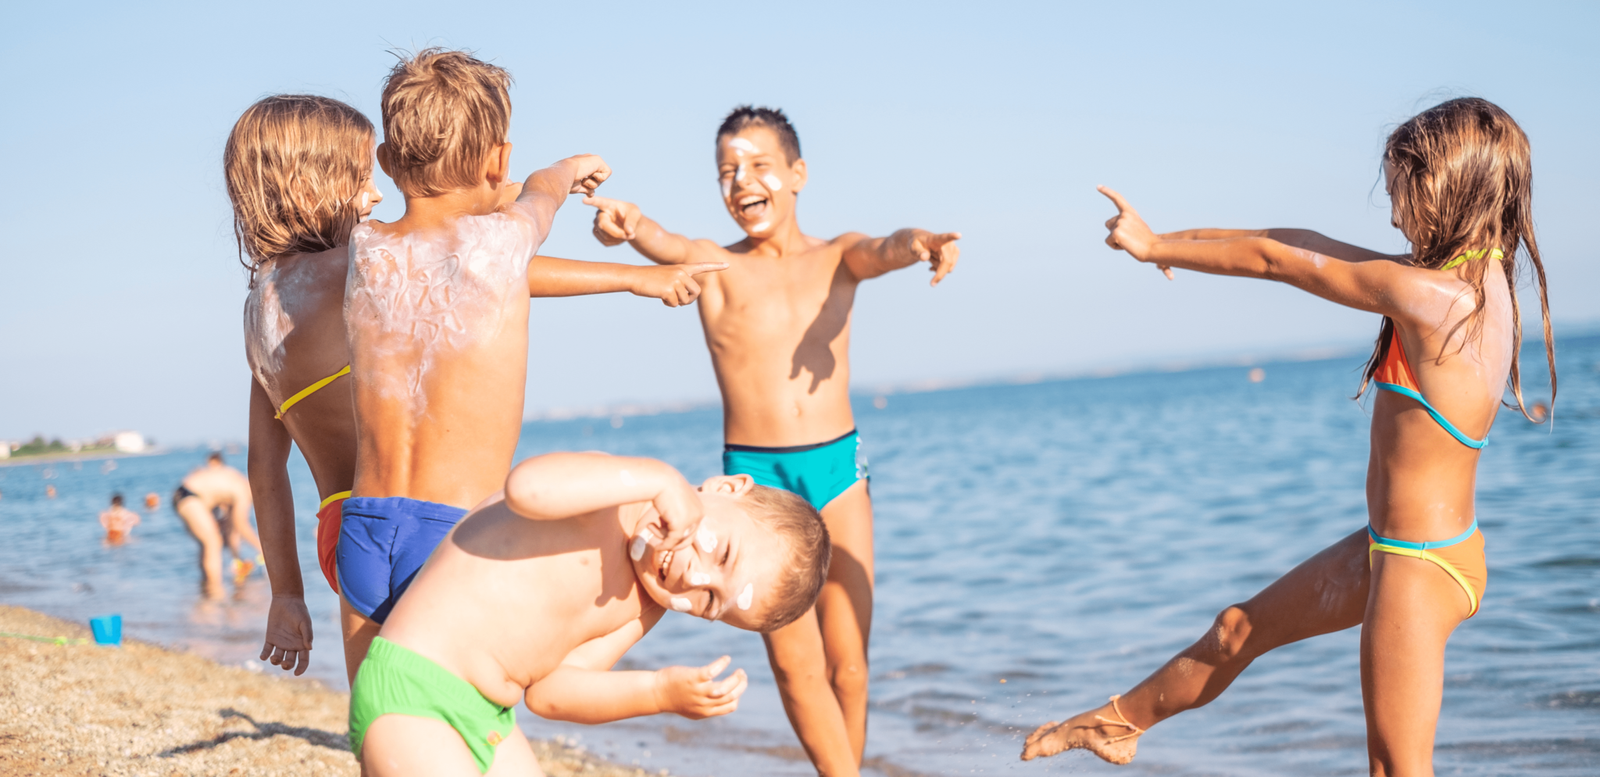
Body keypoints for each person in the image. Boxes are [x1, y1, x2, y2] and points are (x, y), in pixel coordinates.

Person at [1022, 98, 1556, 776]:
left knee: (1395, 768)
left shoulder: (1436, 300)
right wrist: (1162, 240)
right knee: (1236, 629)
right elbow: (1289, 240)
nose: (1395, 217)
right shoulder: (1467, 280)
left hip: (1420, 563)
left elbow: (1279, 261)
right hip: (1400, 545)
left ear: (1446, 186)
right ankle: (1116, 724)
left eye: (1403, 195)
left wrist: (1155, 249)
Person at [228, 94, 713, 684]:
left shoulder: (263, 310)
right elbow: (490, 266)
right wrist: (635, 277)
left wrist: (286, 594)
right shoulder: (357, 263)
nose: (376, 195)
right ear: (309, 187)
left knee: (383, 700)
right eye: (359, 179)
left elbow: (265, 468)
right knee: (474, 683)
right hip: (431, 520)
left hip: (349, 535)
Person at [586, 105, 959, 775]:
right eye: (726, 172)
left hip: (838, 469)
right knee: (795, 668)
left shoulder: (836, 256)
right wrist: (630, 224)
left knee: (849, 664)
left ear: (798, 173)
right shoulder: (714, 263)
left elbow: (886, 248)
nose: (741, 182)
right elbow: (664, 242)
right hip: (754, 482)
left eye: (758, 165)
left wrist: (922, 243)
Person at [351, 452, 830, 775]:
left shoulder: (643, 607)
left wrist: (658, 691)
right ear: (726, 487)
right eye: (722, 554)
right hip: (414, 688)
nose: (694, 577)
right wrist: (659, 478)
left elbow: (552, 694)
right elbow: (526, 487)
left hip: (488, 716)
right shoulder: (611, 495)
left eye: (710, 601)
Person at [173, 452, 263, 598]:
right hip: (190, 496)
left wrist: (237, 558)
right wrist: (263, 550)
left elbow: (232, 531)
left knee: (207, 544)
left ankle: (206, 590)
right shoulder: (244, 491)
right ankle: (215, 591)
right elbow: (242, 525)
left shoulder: (235, 485)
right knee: (213, 542)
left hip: (184, 494)